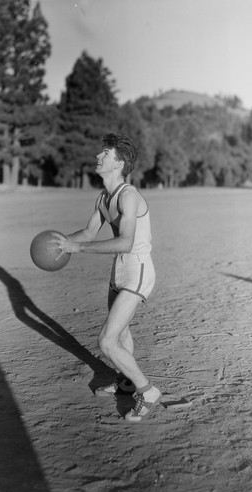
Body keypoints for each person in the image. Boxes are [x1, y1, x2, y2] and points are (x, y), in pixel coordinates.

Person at [54, 133, 161, 423]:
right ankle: (126, 382)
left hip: (137, 270)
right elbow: (89, 233)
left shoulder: (129, 196)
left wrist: (78, 248)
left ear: (120, 163)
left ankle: (147, 390)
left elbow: (126, 242)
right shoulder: (104, 197)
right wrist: (62, 242)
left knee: (107, 340)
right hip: (119, 271)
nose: (98, 157)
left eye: (105, 153)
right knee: (122, 332)